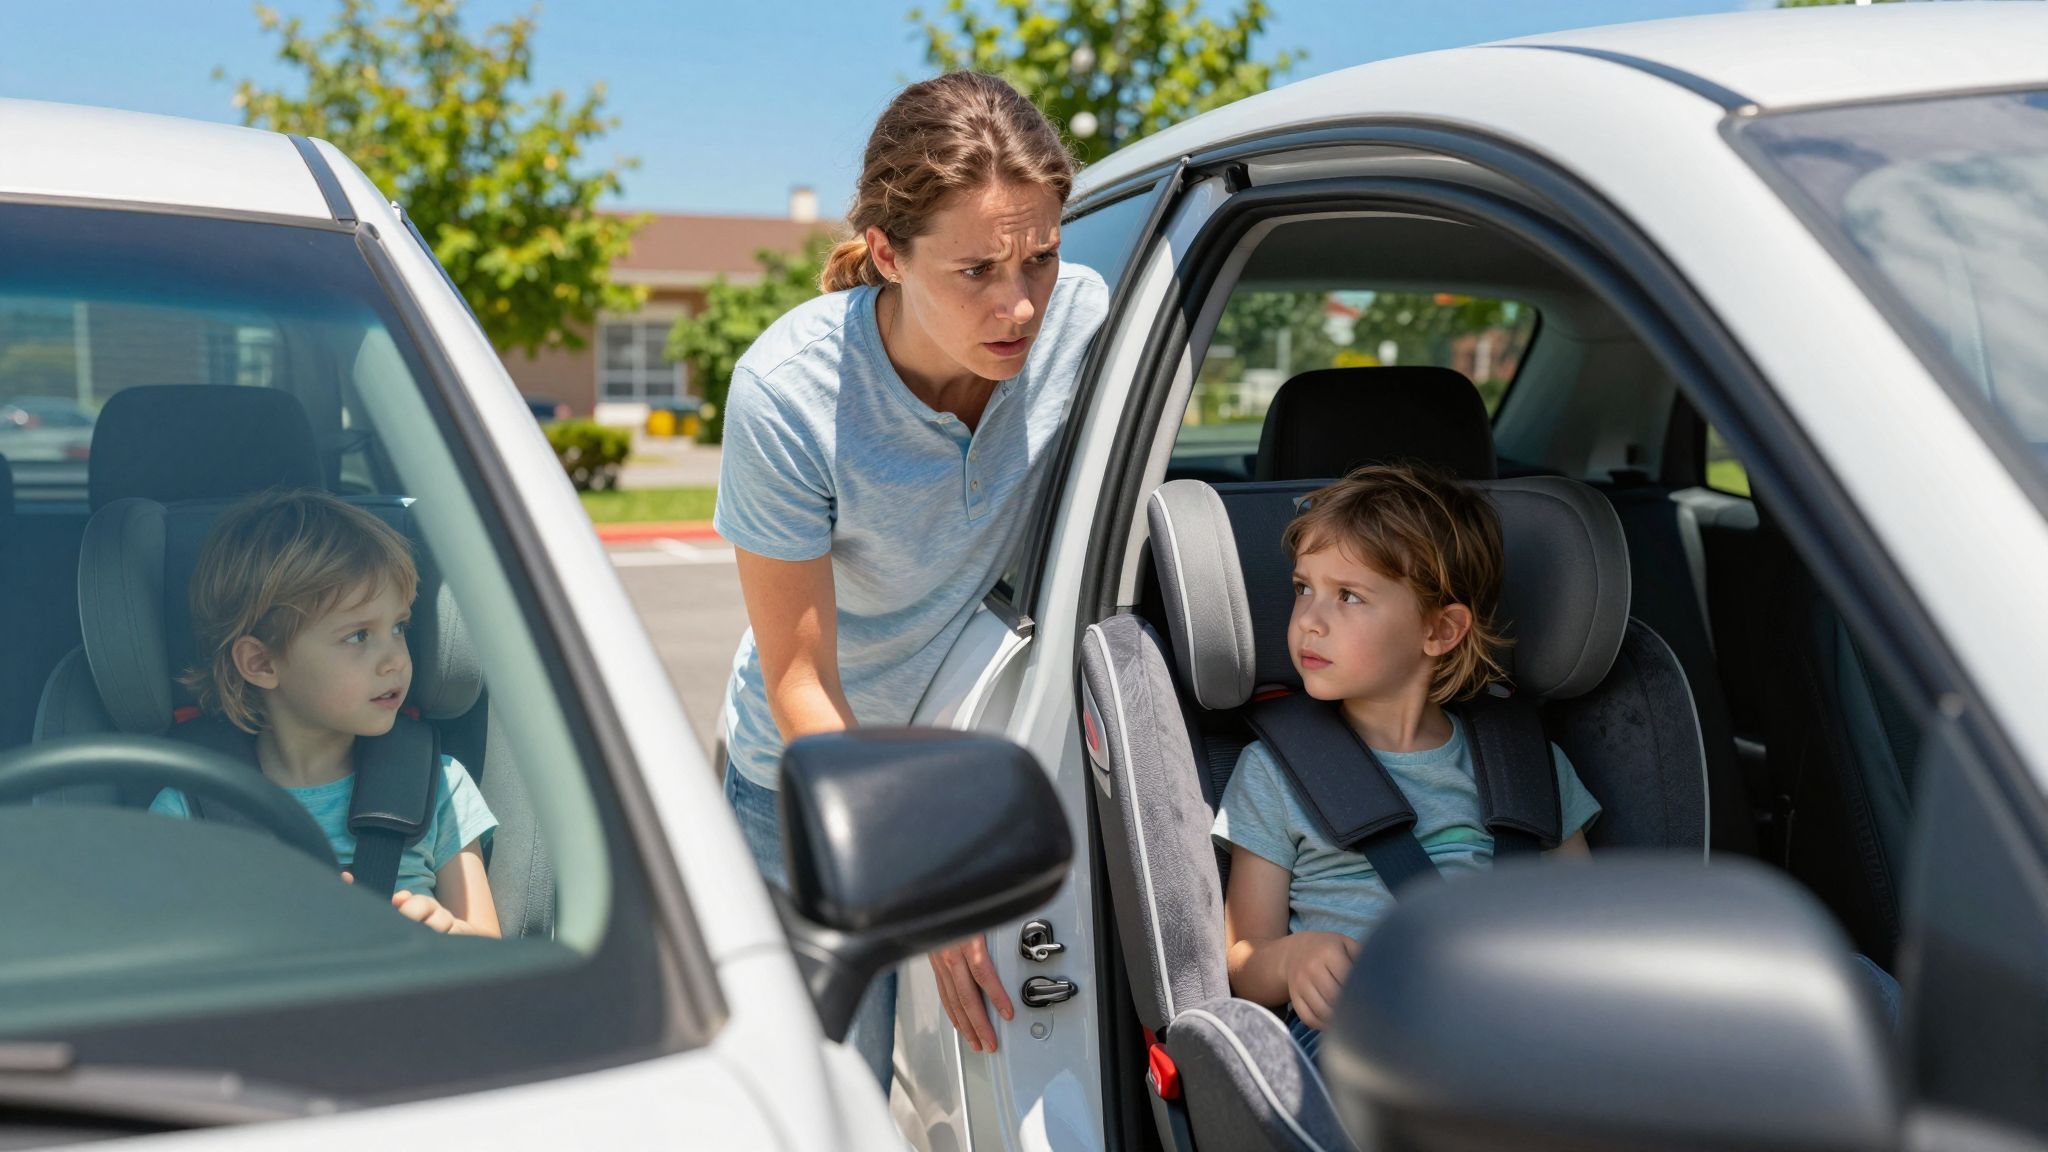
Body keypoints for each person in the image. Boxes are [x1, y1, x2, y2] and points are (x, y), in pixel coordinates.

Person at [713, 70, 1108, 1087]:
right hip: (807, 788)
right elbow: (801, 681)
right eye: (975, 270)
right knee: (825, 1096)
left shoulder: (1082, 324)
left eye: (1040, 256)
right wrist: (917, 879)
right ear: (887, 254)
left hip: (968, 744)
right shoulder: (789, 395)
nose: (1018, 303)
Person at [1214, 465, 1601, 1060]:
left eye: (1349, 596)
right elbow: (1243, 958)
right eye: (1303, 588)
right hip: (1360, 1027)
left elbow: (1588, 925)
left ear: (1441, 630)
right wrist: (1292, 960)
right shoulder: (1275, 773)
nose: (1310, 620)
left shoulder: (1525, 765)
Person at [151, 488, 500, 938]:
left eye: (399, 627)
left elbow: (493, 953)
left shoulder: (438, 787)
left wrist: (445, 936)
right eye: (358, 636)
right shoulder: (190, 810)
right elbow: (159, 969)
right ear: (261, 663)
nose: (395, 658)